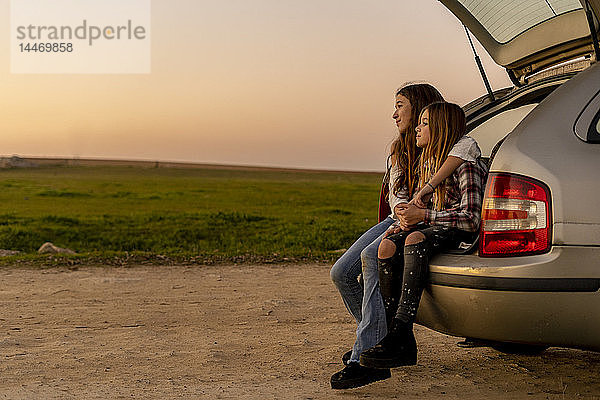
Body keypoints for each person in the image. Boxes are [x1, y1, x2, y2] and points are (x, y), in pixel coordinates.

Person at [330, 87, 480, 389]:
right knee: (342, 273)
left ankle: (365, 354)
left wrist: (417, 206)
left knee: (372, 256)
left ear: (425, 113)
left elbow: (462, 158)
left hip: (420, 220)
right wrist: (401, 214)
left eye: (400, 106)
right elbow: (398, 195)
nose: (394, 114)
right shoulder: (402, 149)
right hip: (400, 217)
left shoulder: (455, 149)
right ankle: (379, 339)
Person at [358, 102, 487, 371]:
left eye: (425, 123)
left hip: (459, 232)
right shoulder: (429, 165)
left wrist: (423, 218)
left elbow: (471, 217)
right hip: (433, 228)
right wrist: (403, 222)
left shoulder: (465, 165)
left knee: (414, 240)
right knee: (386, 248)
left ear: (440, 128)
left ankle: (402, 328)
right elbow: (424, 209)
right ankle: (398, 340)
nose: (418, 127)